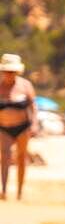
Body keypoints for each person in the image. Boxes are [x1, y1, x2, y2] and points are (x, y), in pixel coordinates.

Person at [0, 53, 37, 201]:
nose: (10, 74)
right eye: (7, 71)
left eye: (12, 71)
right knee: (5, 156)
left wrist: (34, 124)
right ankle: (3, 189)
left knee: (22, 158)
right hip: (3, 127)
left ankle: (20, 191)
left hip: (23, 127)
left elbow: (33, 106)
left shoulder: (25, 85)